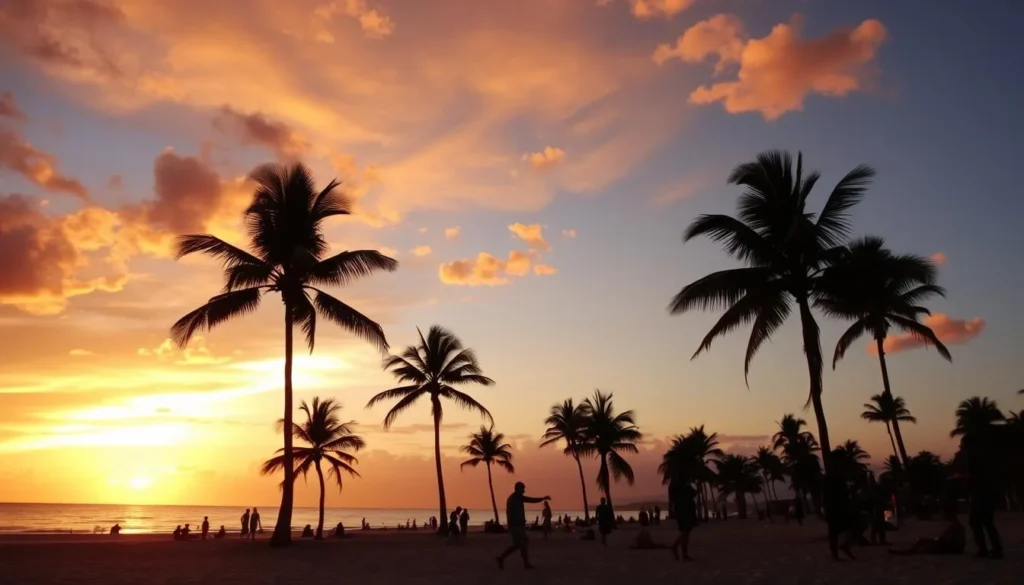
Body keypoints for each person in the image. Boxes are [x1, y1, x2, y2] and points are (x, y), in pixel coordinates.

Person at [964, 434, 1004, 558]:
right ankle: (995, 549)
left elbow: (975, 477)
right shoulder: (986, 457)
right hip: (989, 493)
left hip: (980, 494)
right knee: (988, 523)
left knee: (976, 522)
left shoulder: (974, 458)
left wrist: (967, 485)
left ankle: (984, 550)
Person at [496, 481, 550, 570]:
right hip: (516, 526)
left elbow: (529, 500)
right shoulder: (514, 498)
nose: (524, 490)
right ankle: (503, 558)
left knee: (521, 544)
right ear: (518, 489)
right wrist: (542, 498)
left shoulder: (516, 498)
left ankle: (522, 562)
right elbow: (530, 500)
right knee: (520, 544)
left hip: (517, 525)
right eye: (523, 489)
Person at [890, 501, 965, 556]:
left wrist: (937, 540)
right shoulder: (955, 526)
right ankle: (909, 551)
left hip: (950, 548)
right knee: (924, 543)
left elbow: (950, 541)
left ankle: (908, 551)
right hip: (951, 547)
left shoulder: (955, 527)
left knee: (924, 544)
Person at [824, 460, 856, 560]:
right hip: (837, 508)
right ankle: (838, 551)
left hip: (836, 508)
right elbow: (833, 495)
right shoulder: (834, 478)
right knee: (837, 531)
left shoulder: (834, 477)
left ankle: (838, 551)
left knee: (836, 532)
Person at [669, 478, 697, 561]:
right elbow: (692, 493)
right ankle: (678, 549)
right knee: (686, 531)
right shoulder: (683, 483)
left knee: (685, 531)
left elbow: (673, 497)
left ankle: (683, 552)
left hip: (680, 508)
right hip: (685, 508)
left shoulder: (675, 483)